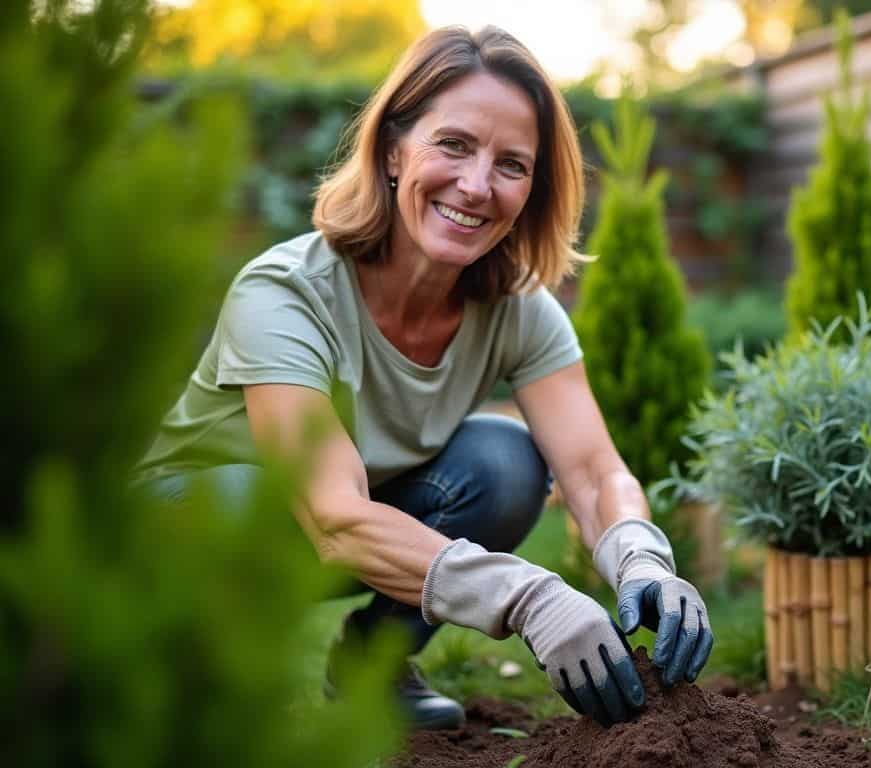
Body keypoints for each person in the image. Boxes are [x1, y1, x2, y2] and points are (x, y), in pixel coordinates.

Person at [132, 25, 713, 730]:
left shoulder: (518, 311)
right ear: (391, 152)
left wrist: (641, 558)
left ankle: (371, 667)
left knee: (505, 464)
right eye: (454, 144)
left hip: (349, 526)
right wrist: (529, 597)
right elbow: (333, 518)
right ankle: (185, 663)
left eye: (512, 164)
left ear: (533, 189)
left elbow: (592, 472)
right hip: (198, 528)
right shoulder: (284, 293)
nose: (476, 185)